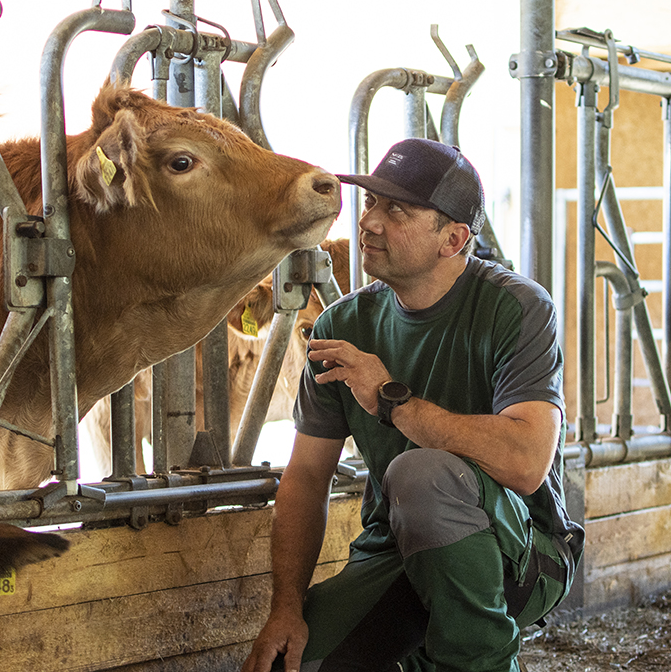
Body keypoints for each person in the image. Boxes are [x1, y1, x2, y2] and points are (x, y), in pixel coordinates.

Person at [241, 139, 583, 672]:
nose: (369, 222)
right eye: (371, 203)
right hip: (395, 552)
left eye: (395, 210)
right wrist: (286, 609)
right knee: (294, 665)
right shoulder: (341, 327)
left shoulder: (517, 308)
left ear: (453, 239)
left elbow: (526, 461)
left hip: (518, 551)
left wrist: (391, 399)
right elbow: (307, 476)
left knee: (423, 475)